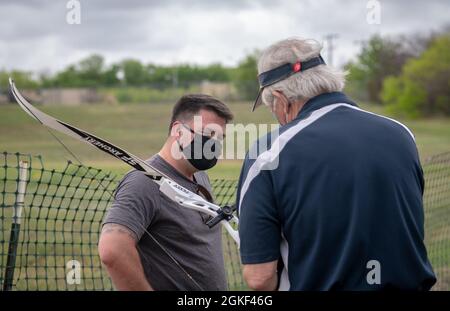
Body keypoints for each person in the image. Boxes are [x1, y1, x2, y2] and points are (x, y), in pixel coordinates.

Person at [236, 38, 436, 290]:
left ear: (280, 98)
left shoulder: (267, 153)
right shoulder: (401, 134)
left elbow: (259, 277)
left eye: (271, 107)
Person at [98, 94, 233, 290]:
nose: (214, 144)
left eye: (219, 137)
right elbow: (112, 250)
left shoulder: (199, 175)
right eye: (207, 134)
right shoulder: (143, 182)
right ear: (178, 130)